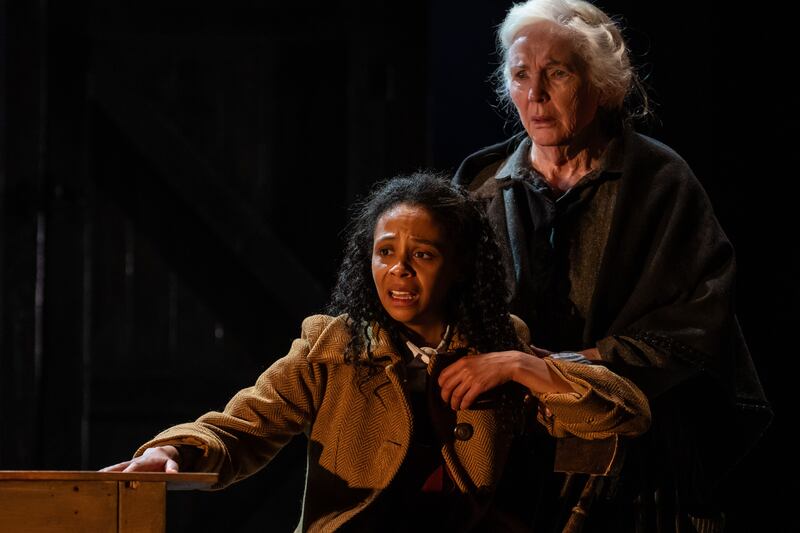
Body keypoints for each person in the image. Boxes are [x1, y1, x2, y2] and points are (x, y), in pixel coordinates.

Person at [102, 173, 650, 532]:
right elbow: (240, 426)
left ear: (458, 266)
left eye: (423, 254)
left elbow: (626, 413)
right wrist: (175, 451)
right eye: (385, 252)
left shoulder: (500, 342)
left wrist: (521, 365)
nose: (399, 270)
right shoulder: (334, 346)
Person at [452, 0, 772, 530]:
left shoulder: (658, 181)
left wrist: (565, 368)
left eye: (556, 73)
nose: (535, 94)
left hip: (635, 462)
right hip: (509, 458)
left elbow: (698, 317)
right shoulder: (481, 184)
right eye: (521, 74)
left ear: (601, 86)